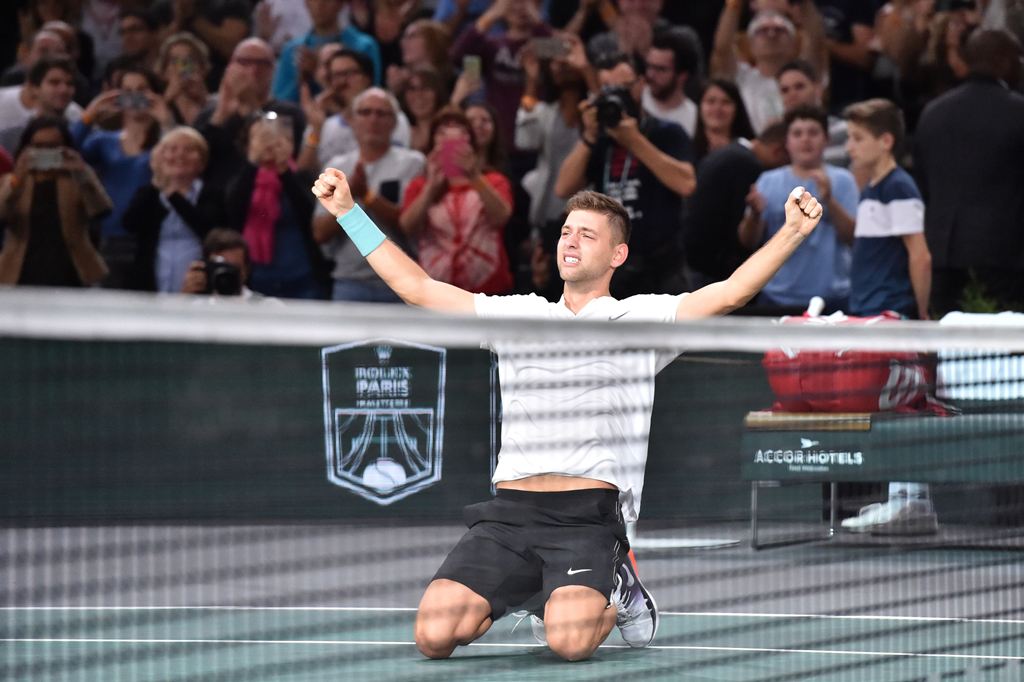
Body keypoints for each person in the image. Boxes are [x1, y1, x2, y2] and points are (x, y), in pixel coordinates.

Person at [310, 163, 826, 662]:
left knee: (569, 644)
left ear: (617, 254)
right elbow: (417, 289)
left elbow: (730, 294)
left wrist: (792, 233)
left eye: (587, 234)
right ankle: (537, 590)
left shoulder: (640, 319)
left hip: (587, 519)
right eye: (565, 231)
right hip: (509, 515)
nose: (570, 241)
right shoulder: (519, 314)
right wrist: (348, 211)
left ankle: (617, 582)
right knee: (434, 636)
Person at [839, 97, 937, 536]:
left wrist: (918, 314)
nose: (849, 148)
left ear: (886, 140)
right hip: (871, 315)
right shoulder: (873, 188)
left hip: (892, 313)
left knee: (903, 407)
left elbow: (920, 255)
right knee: (890, 408)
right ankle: (907, 501)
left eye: (858, 139)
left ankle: (912, 502)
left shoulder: (899, 187)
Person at [555, 52, 696, 298]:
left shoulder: (666, 132)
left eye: (622, 87)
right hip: (613, 268)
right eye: (607, 88)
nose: (614, 95)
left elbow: (686, 184)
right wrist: (589, 136)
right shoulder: (599, 140)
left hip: (662, 265)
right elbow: (562, 188)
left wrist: (634, 141)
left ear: (641, 84)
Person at [913, 28, 1024, 315]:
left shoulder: (933, 112)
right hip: (1004, 259)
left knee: (948, 350)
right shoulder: (1018, 112)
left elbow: (922, 184)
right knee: (1002, 353)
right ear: (1002, 60)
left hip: (942, 253)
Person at [738, 105, 858, 314]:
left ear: (826, 139)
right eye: (797, 133)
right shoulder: (767, 181)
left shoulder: (843, 180)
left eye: (813, 133)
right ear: (787, 142)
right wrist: (755, 215)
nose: (805, 139)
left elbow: (854, 238)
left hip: (833, 300)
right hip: (776, 298)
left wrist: (829, 200)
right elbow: (748, 241)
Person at [313, 87, 424, 302]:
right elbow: (320, 233)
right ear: (353, 121)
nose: (373, 119)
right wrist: (350, 196)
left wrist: (367, 196)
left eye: (381, 113)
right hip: (349, 281)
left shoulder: (413, 163)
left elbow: (408, 224)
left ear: (394, 122)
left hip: (401, 282)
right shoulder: (336, 166)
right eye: (365, 112)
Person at [398, 107, 514, 294]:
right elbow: (407, 227)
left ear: (471, 142)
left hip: (488, 293)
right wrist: (430, 189)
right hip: (436, 293)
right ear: (432, 142)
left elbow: (501, 217)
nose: (450, 139)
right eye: (442, 133)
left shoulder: (493, 180)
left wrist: (474, 176)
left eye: (461, 132)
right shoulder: (419, 185)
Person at [225, 115, 328, 299]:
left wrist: (284, 172)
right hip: (256, 278)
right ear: (248, 144)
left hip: (301, 278)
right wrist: (253, 164)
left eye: (274, 137)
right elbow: (233, 212)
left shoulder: (301, 176)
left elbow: (309, 215)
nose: (268, 144)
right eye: (260, 138)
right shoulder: (240, 176)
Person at [0, 115, 110, 288]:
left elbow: (101, 210)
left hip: (71, 270)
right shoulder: (13, 181)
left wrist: (82, 173)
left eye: (52, 147)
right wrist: (17, 179)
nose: (45, 153)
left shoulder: (78, 178)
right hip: (22, 270)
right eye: (38, 147)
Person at [684, 121, 789, 289]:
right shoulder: (747, 165)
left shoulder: (728, 151)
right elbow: (739, 233)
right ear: (778, 151)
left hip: (693, 262)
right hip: (712, 272)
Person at [121, 126, 224, 293]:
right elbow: (129, 224)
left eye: (189, 149)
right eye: (172, 149)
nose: (179, 155)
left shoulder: (212, 193)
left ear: (202, 161)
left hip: (196, 272)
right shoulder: (149, 192)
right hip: (153, 276)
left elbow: (208, 230)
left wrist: (172, 194)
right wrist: (157, 186)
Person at [194, 38, 305, 190]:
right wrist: (220, 115)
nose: (253, 70)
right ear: (230, 67)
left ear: (273, 70)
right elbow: (195, 159)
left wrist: (252, 108)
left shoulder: (290, 113)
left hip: (265, 196)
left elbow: (275, 156)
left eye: (262, 64)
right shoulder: (209, 114)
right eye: (245, 62)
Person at [270, 0, 381, 104]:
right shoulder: (292, 51)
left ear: (341, 4)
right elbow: (281, 102)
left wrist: (321, 75)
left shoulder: (363, 46)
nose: (320, 5)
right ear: (306, 3)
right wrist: (302, 79)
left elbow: (371, 96)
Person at [0, 56, 83, 155]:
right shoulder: (11, 136)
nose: (63, 90)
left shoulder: (83, 134)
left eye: (69, 84)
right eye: (54, 83)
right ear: (34, 88)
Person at [641, 28, 702, 138]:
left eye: (660, 69)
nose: (650, 75)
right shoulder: (635, 100)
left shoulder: (695, 119)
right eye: (649, 66)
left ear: (682, 76)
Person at [691, 78, 757, 166]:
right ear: (700, 107)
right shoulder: (687, 150)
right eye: (711, 101)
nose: (717, 108)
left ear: (737, 108)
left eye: (726, 102)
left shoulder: (751, 149)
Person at [181, 228, 259, 298]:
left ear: (246, 270)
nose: (226, 274)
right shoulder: (195, 303)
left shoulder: (260, 307)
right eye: (221, 267)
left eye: (234, 268)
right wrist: (185, 299)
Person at [157, 32, 213, 127]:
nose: (182, 67)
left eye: (189, 60)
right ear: (164, 72)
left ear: (202, 68)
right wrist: (168, 99)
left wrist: (203, 100)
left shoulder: (218, 105)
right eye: (175, 61)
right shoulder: (156, 109)